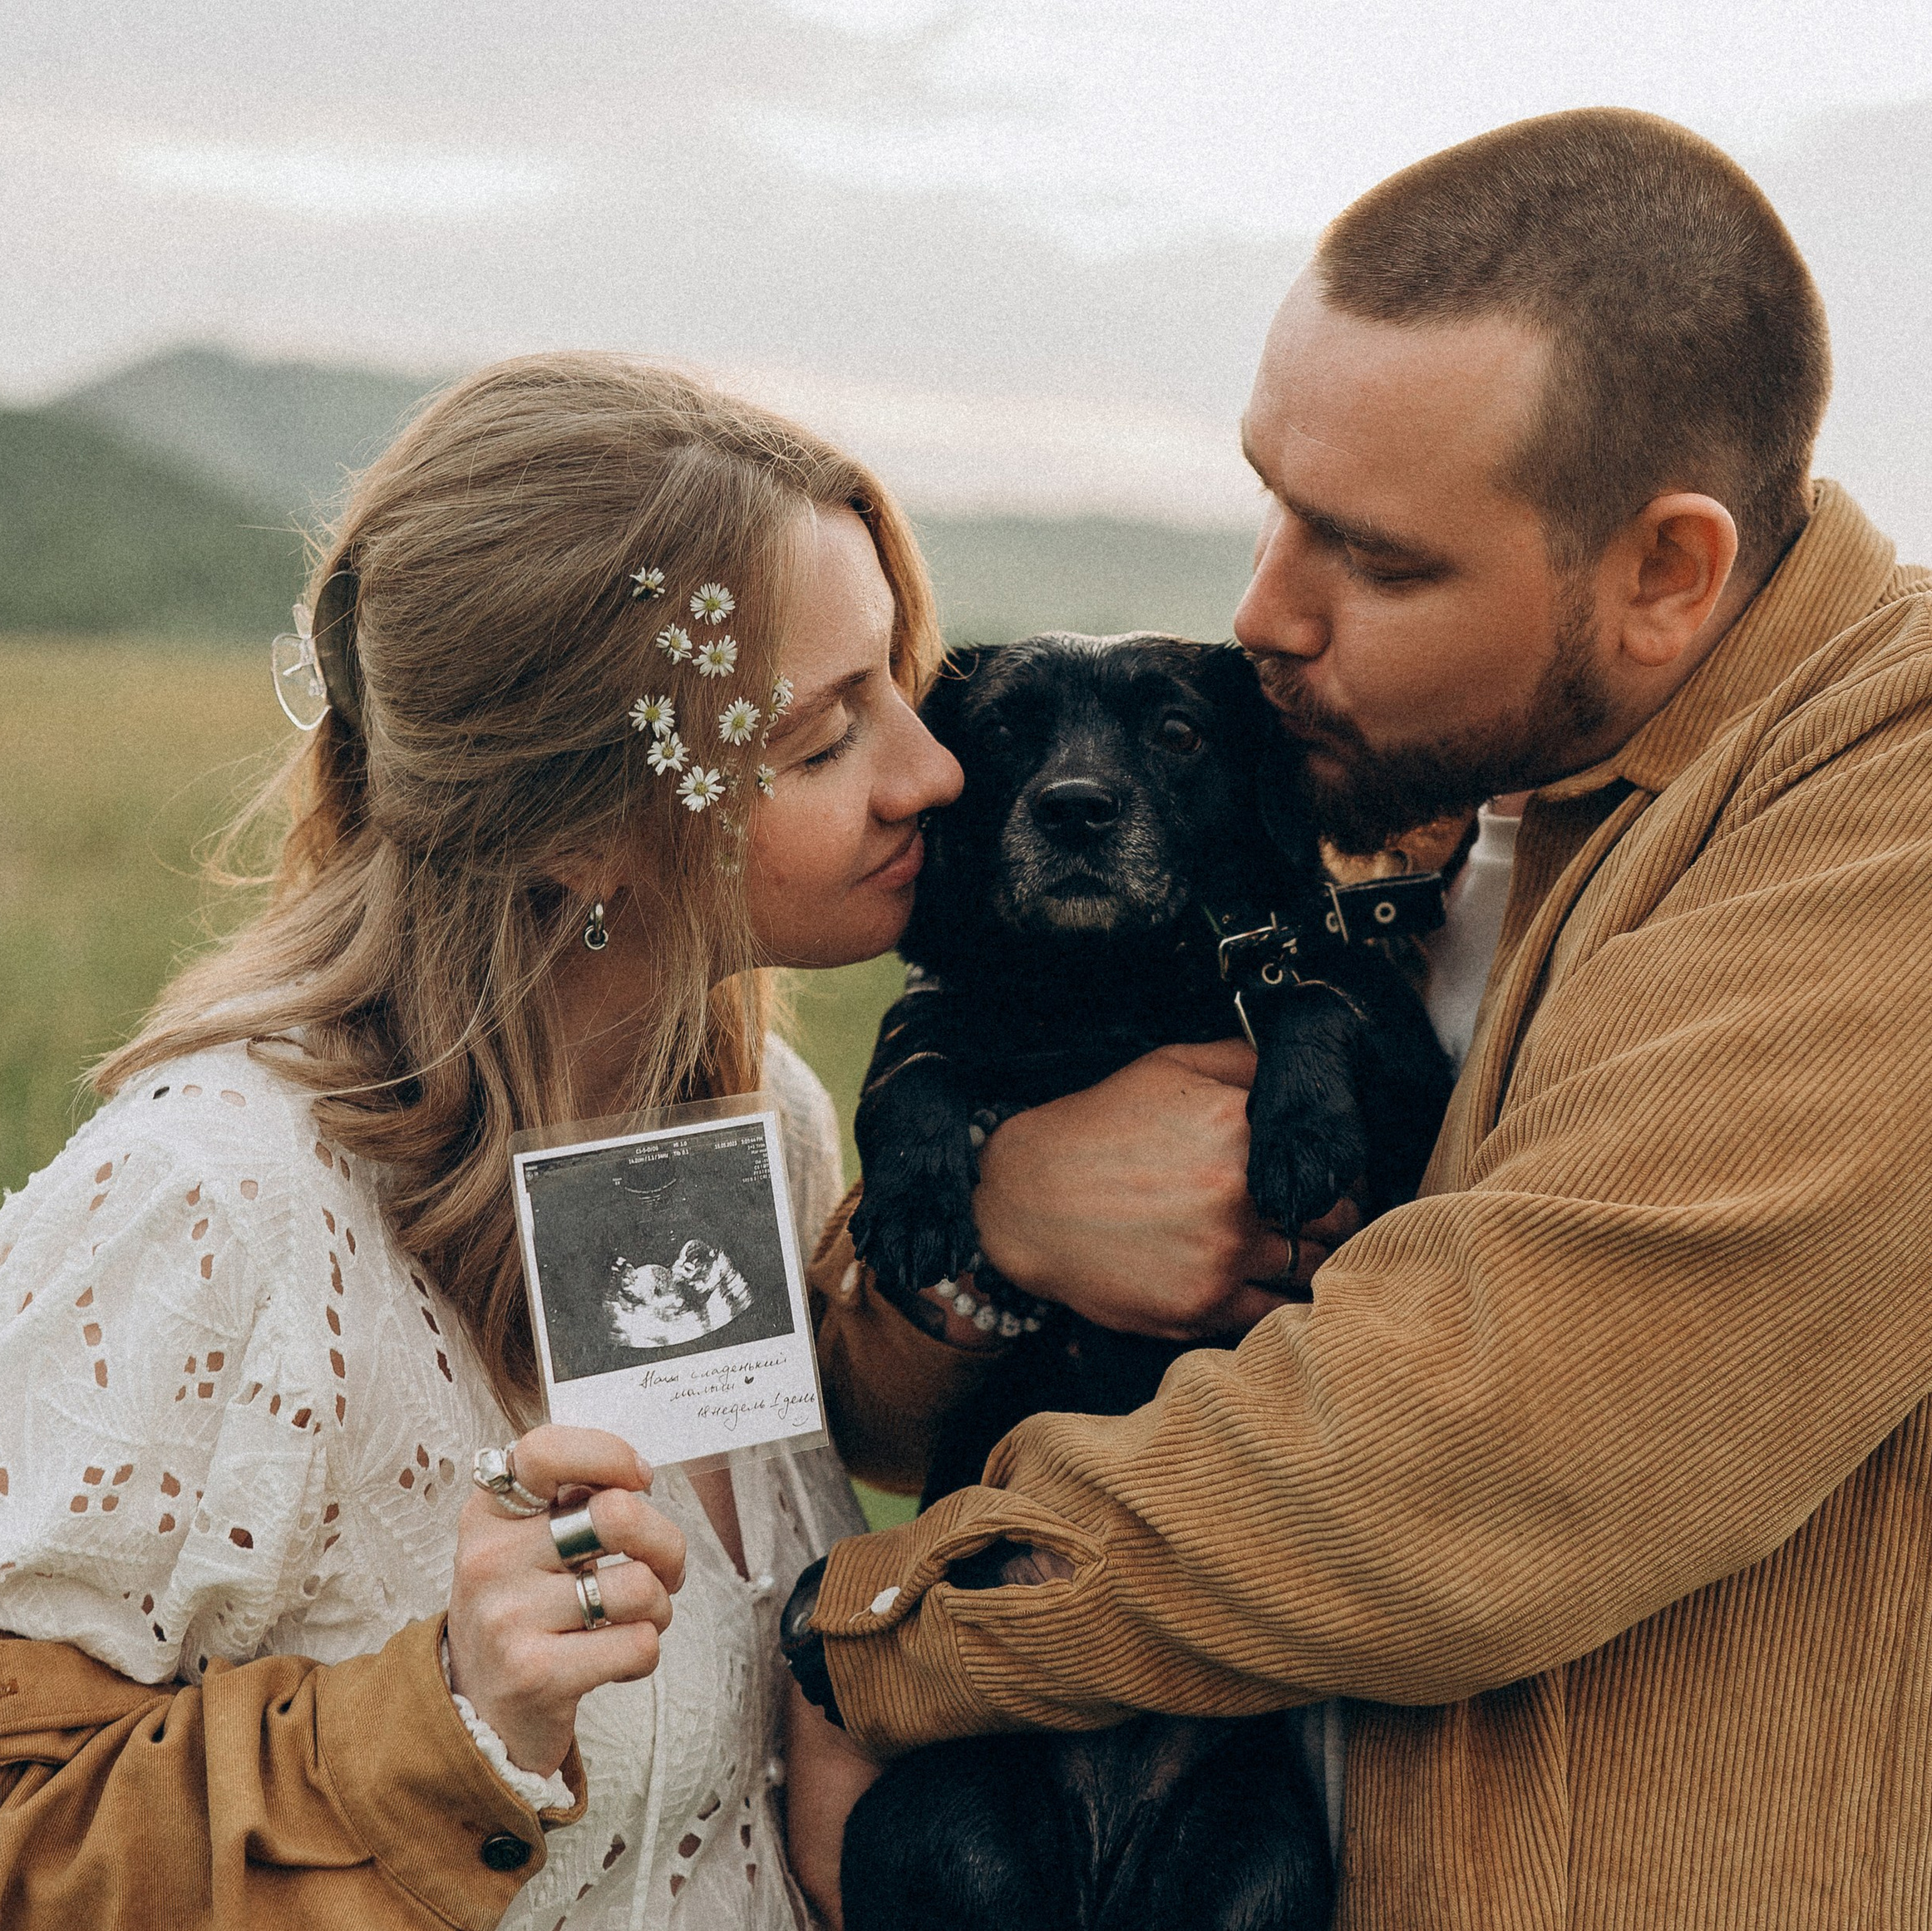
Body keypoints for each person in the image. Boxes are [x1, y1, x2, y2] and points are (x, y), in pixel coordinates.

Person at [796, 108, 1932, 1924]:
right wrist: (1006, 1213)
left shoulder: (1888, 813)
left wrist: (880, 1627)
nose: (1261, 612)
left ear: (1667, 573)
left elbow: (1474, 1456)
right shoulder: (1415, 770)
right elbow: (855, 1379)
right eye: (1272, 501)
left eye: (1378, 562)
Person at [0, 354, 957, 1929]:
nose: (934, 773)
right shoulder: (213, 1209)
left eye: (902, 690)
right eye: (823, 739)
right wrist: (445, 1723)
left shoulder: (742, 1126)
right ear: (576, 830)